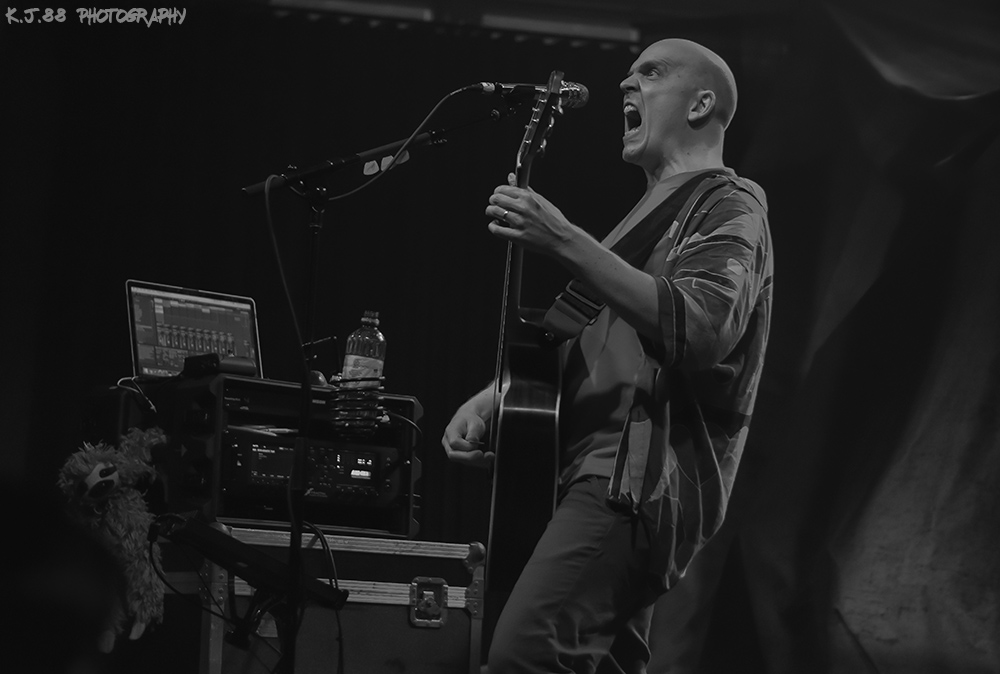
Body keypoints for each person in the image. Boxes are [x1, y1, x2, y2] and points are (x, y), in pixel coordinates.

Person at [442, 37, 773, 673]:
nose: (627, 85)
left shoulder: (731, 202)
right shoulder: (641, 221)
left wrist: (565, 240)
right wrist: (500, 397)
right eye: (629, 75)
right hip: (589, 482)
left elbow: (699, 327)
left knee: (520, 660)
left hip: (630, 485)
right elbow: (592, 339)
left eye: (650, 73)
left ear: (702, 103)